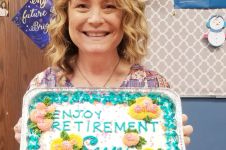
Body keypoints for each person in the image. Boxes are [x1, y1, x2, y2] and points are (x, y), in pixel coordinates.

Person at [14, 0, 193, 146]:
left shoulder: (153, 87)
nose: (95, 19)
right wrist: (31, 141)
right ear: (66, 15)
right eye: (82, 6)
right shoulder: (44, 86)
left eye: (110, 6)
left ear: (126, 16)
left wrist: (170, 142)